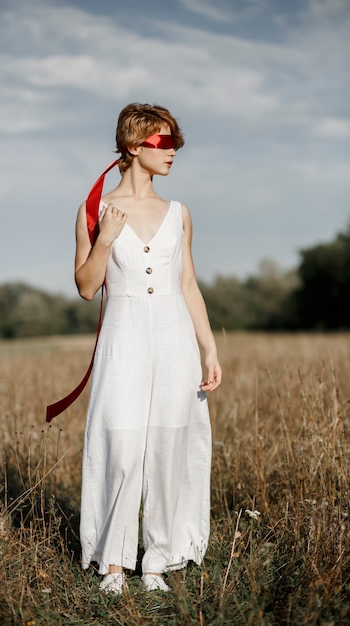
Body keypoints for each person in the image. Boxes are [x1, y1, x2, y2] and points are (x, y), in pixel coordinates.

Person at [74, 102, 222, 594]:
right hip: (123, 338)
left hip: (175, 338)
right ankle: (113, 563)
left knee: (169, 444)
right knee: (119, 443)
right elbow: (86, 287)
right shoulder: (95, 209)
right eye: (163, 142)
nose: (173, 151)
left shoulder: (179, 214)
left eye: (175, 141)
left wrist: (209, 349)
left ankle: (157, 559)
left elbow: (189, 285)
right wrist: (105, 239)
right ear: (134, 147)